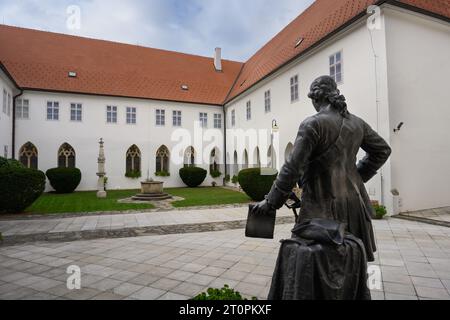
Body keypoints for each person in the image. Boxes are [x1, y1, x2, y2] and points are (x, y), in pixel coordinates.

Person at [251, 75, 391, 262]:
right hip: (355, 205)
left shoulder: (313, 124)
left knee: (312, 265)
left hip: (322, 205)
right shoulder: (358, 123)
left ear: (316, 99)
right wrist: (356, 177)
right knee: (351, 264)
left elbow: (292, 168)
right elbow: (382, 150)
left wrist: (270, 203)